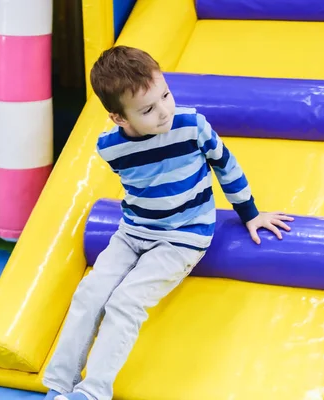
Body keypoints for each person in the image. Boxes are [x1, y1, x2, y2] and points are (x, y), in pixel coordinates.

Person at [42, 45, 293, 400]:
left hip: (183, 236)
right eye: (148, 109)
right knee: (90, 292)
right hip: (132, 233)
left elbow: (226, 166)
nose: (164, 112)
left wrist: (251, 214)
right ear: (119, 119)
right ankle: (59, 383)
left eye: (165, 95)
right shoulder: (110, 148)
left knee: (126, 302)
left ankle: (93, 392)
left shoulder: (191, 126)